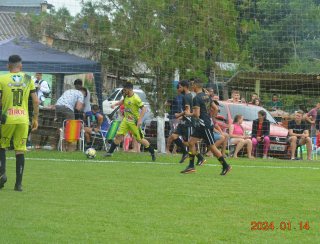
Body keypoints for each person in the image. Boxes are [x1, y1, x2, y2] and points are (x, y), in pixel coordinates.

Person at [0, 55, 39, 191]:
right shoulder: (28, 79)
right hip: (23, 119)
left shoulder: (2, 78)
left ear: (8, 66)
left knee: (2, 146)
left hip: (7, 118)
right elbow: (36, 101)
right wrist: (35, 118)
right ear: (21, 66)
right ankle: (18, 184)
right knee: (20, 150)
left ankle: (2, 175)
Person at [182, 78, 232, 175]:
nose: (191, 87)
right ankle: (191, 166)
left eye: (192, 85)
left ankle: (226, 166)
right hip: (203, 124)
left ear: (196, 86)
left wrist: (188, 114)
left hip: (204, 125)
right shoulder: (207, 96)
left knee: (212, 148)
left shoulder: (196, 98)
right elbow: (216, 108)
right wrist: (211, 118)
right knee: (191, 142)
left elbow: (196, 114)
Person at [105, 82, 156, 161]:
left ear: (129, 89)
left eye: (125, 89)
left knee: (140, 139)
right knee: (119, 135)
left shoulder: (136, 98)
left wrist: (139, 120)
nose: (123, 91)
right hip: (126, 120)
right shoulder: (126, 95)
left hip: (134, 122)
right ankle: (109, 153)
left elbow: (144, 109)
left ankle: (152, 152)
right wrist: (115, 104)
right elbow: (123, 101)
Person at [166, 80, 206, 165]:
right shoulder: (186, 95)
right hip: (184, 121)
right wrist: (182, 116)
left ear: (184, 87)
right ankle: (185, 153)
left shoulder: (187, 97)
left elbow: (187, 111)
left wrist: (178, 115)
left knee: (189, 143)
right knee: (174, 136)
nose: (178, 89)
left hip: (189, 123)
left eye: (180, 87)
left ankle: (200, 158)